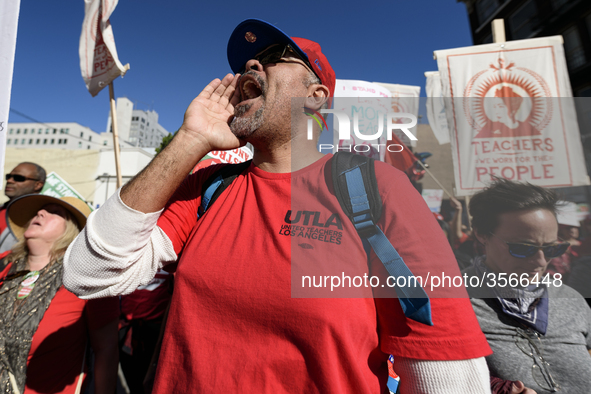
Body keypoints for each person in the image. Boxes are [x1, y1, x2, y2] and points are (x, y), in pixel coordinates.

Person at [64, 19, 492, 393]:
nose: (251, 66)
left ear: (316, 95)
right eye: (248, 62)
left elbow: (441, 361)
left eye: (275, 56)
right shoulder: (207, 188)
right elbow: (88, 273)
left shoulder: (376, 189)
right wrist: (192, 139)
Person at [462, 178, 591, 393]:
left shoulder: (571, 298)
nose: (541, 262)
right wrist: (494, 388)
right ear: (482, 234)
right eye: (523, 248)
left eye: (552, 249)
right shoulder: (453, 300)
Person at [0, 195, 119, 393]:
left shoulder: (89, 279)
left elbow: (106, 350)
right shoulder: (4, 264)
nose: (40, 213)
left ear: (72, 231)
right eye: (40, 211)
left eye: (55, 211)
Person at [0, 163, 46, 253]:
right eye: (8, 176)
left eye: (18, 178)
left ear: (38, 185)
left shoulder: (41, 217)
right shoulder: (2, 209)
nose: (10, 181)